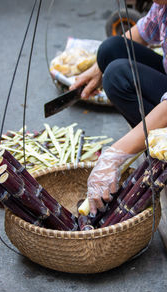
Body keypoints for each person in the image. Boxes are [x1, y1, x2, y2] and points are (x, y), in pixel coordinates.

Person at [70, 0, 167, 215]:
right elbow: (143, 31)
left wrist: (113, 156)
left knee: (116, 76)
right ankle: (151, 138)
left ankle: (159, 147)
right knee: (110, 51)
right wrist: (97, 68)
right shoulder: (162, 5)